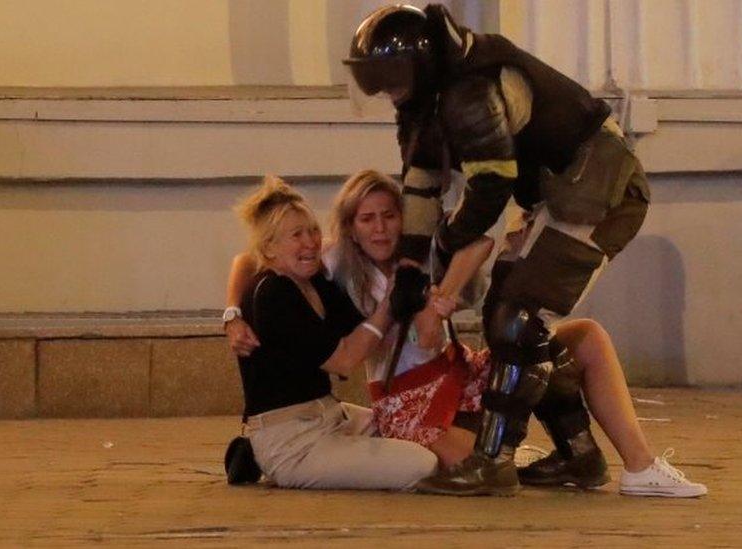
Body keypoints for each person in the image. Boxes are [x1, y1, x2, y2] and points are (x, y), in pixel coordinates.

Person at [227, 170, 706, 497]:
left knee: (580, 338)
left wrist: (441, 299)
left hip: (456, 369)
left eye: (389, 215)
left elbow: (479, 241)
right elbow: (248, 259)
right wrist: (232, 313)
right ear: (351, 227)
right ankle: (549, 454)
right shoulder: (335, 261)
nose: (379, 228)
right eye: (367, 218)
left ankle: (638, 467)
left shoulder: (419, 251)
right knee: (470, 470)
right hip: (407, 397)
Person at [343, 4, 655, 495]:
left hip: (598, 190)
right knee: (508, 325)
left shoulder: (470, 89)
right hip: (559, 194)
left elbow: (491, 184)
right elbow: (420, 188)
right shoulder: (429, 101)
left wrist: (447, 243)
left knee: (518, 319)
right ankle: (579, 454)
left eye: (392, 77)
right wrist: (409, 269)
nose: (387, 91)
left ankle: (493, 460)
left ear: (420, 66)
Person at [229, 175, 437, 490]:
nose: (310, 242)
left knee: (422, 434)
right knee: (423, 465)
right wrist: (389, 306)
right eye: (296, 235)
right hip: (294, 441)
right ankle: (266, 458)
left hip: (332, 415)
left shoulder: (315, 280)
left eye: (313, 231)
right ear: (269, 246)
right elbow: (343, 360)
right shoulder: (273, 293)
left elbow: (356, 326)